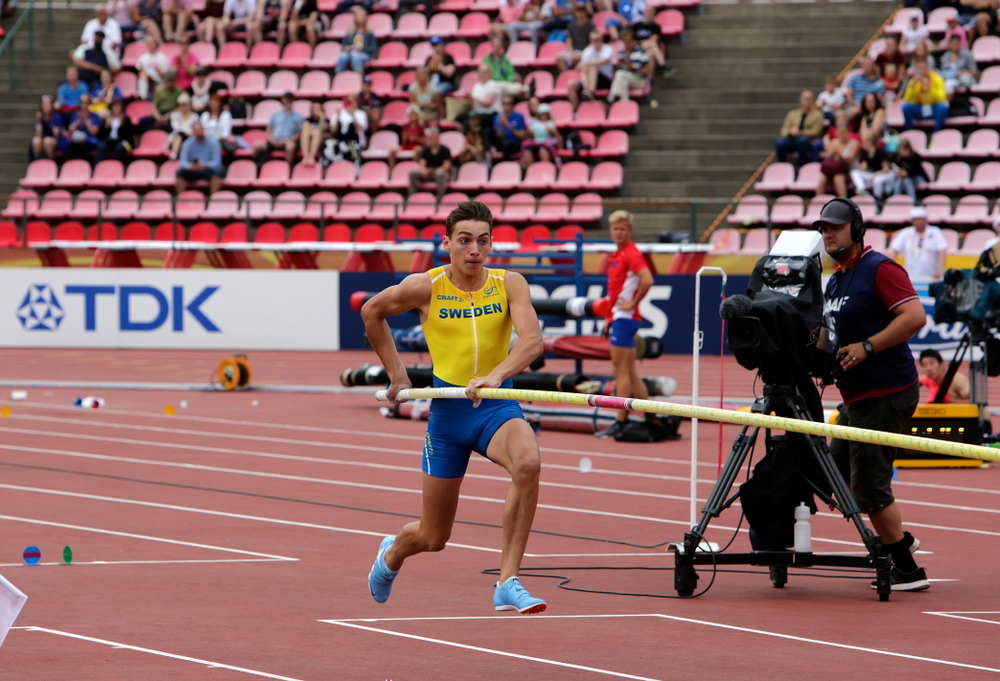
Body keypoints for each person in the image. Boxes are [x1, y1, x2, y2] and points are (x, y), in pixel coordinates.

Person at [361, 200, 547, 614]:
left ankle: (508, 581)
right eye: (464, 241)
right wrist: (397, 374)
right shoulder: (426, 286)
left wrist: (495, 377)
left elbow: (533, 340)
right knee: (433, 536)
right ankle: (391, 554)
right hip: (448, 416)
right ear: (447, 243)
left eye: (482, 241)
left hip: (496, 407)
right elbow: (371, 312)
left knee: (529, 463)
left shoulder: (509, 284)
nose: (474, 250)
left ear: (491, 244)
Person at [814, 197, 929, 592]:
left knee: (868, 488)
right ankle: (901, 539)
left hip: (885, 392)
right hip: (856, 396)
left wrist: (868, 346)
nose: (828, 233)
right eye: (823, 228)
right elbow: (829, 335)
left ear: (857, 229)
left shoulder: (878, 268)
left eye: (835, 226)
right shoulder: (835, 278)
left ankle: (909, 569)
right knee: (831, 478)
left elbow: (915, 316)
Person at [596, 210, 654, 439]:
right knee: (630, 371)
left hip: (625, 318)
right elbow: (615, 291)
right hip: (620, 317)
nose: (618, 232)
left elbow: (648, 280)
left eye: (622, 229)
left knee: (620, 372)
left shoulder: (631, 254)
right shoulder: (617, 255)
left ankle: (621, 421)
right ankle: (650, 417)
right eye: (615, 229)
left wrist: (631, 304)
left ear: (629, 231)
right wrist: (608, 317)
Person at [886, 206, 949, 281]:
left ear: (926, 219)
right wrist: (893, 269)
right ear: (912, 220)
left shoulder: (934, 232)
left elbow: (942, 250)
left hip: (932, 277)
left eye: (921, 219)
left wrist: (940, 271)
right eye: (916, 219)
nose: (919, 222)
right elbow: (894, 249)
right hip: (910, 277)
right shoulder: (906, 232)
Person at [775, 89, 825, 168]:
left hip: (808, 142)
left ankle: (802, 167)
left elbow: (816, 131)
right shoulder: (792, 114)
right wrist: (790, 132)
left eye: (809, 99)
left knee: (802, 141)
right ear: (801, 100)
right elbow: (783, 130)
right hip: (792, 140)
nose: (807, 101)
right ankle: (783, 168)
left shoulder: (818, 115)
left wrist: (800, 132)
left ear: (813, 101)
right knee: (780, 143)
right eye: (805, 99)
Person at [253, 91, 303, 166]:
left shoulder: (298, 116)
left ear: (293, 100)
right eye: (286, 99)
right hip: (274, 142)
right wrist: (272, 141)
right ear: (282, 100)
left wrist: (287, 140)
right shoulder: (275, 114)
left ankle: (287, 169)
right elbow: (269, 130)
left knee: (291, 146)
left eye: (290, 99)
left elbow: (299, 133)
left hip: (288, 141)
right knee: (257, 145)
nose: (288, 101)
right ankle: (257, 169)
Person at [817, 111, 859, 198]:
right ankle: (817, 202)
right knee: (823, 178)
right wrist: (832, 153)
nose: (842, 134)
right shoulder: (833, 142)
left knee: (838, 178)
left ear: (848, 131)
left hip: (847, 171)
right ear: (837, 132)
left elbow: (850, 160)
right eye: (840, 132)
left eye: (844, 131)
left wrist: (839, 154)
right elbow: (827, 157)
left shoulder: (854, 143)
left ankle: (843, 200)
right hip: (834, 169)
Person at [568, 30, 614, 108]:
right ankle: (575, 111)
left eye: (597, 39)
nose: (595, 42)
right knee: (571, 84)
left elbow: (602, 61)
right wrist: (585, 83)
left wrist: (587, 64)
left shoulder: (608, 48)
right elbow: (582, 67)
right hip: (588, 80)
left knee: (592, 67)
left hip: (604, 80)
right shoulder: (587, 51)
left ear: (601, 39)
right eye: (593, 40)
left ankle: (590, 92)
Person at [176, 122, 224, 193]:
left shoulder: (214, 143)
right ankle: (180, 199)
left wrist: (205, 165)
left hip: (207, 170)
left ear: (203, 130)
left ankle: (213, 199)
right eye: (196, 130)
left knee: (217, 171)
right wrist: (189, 166)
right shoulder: (187, 143)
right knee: (179, 172)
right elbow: (183, 162)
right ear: (193, 132)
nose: (198, 132)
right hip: (193, 170)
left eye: (200, 129)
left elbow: (216, 162)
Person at [902, 59, 948, 131]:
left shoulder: (937, 79)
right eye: (919, 69)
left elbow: (942, 98)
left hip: (933, 108)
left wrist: (930, 87)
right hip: (920, 108)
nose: (922, 71)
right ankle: (911, 133)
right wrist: (913, 86)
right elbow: (907, 99)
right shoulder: (914, 81)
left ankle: (936, 133)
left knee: (942, 107)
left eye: (923, 68)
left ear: (928, 67)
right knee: (906, 107)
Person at [608, 28, 651, 104]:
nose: (626, 43)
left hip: (639, 78)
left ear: (634, 41)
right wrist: (619, 65)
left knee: (620, 74)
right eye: (625, 41)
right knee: (622, 80)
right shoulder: (621, 53)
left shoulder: (641, 52)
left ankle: (611, 100)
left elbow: (646, 71)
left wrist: (630, 66)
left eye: (628, 41)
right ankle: (624, 104)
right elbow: (617, 70)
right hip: (624, 78)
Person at [408, 127, 452, 198]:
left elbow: (446, 167)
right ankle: (412, 197)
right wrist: (424, 170)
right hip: (429, 173)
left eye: (434, 137)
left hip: (439, 173)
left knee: (439, 174)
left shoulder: (445, 150)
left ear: (438, 137)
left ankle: (440, 198)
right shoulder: (426, 150)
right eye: (431, 137)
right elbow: (422, 163)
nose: (433, 139)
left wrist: (433, 171)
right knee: (411, 173)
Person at [632, 4, 672, 77]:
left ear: (654, 13)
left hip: (648, 48)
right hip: (637, 47)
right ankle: (663, 65)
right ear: (643, 12)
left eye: (650, 11)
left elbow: (654, 38)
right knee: (652, 43)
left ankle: (650, 79)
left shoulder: (656, 27)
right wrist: (642, 42)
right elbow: (632, 40)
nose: (648, 13)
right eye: (647, 11)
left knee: (651, 53)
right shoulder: (636, 26)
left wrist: (645, 41)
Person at [336, 7, 377, 73]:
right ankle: (339, 76)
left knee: (356, 56)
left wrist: (363, 49)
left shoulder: (369, 32)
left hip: (365, 54)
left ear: (366, 17)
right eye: (358, 16)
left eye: (362, 16)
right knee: (342, 56)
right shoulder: (351, 31)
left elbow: (372, 48)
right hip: (350, 53)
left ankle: (359, 77)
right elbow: (343, 44)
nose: (360, 18)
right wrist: (346, 48)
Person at [557, 4, 596, 72]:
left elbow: (592, 42)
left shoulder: (591, 25)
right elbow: (569, 41)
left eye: (582, 11)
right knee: (559, 57)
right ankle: (567, 75)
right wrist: (572, 54)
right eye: (578, 11)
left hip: (587, 51)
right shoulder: (571, 25)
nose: (580, 13)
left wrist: (583, 53)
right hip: (574, 51)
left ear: (585, 12)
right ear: (575, 13)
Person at [95, 98, 135, 163]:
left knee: (118, 148)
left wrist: (122, 126)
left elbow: (129, 135)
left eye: (119, 106)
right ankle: (97, 166)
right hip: (109, 140)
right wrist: (107, 126)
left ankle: (117, 167)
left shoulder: (126, 119)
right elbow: (100, 135)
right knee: (101, 146)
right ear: (111, 107)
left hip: (121, 141)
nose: (117, 108)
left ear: (122, 108)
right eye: (115, 106)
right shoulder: (107, 119)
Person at [520, 102, 560, 167]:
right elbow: (529, 133)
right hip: (536, 143)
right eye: (542, 113)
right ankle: (528, 169)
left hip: (546, 144)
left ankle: (553, 163)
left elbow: (556, 133)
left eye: (545, 113)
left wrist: (550, 130)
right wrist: (529, 133)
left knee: (543, 150)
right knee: (527, 149)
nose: (544, 115)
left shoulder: (550, 123)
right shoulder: (535, 123)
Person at [65, 94, 102, 160]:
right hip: (76, 140)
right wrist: (77, 120)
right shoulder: (76, 115)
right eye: (82, 103)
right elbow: (70, 130)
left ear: (89, 104)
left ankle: (88, 166)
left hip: (89, 140)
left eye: (86, 103)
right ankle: (69, 166)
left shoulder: (95, 116)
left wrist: (85, 120)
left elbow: (94, 132)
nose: (84, 105)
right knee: (70, 145)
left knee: (83, 145)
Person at [388, 104, 425, 170]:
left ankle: (415, 169)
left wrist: (416, 138)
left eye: (414, 115)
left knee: (418, 151)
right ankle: (392, 171)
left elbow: (424, 141)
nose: (412, 117)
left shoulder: (420, 128)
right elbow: (403, 141)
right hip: (406, 145)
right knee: (392, 151)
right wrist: (405, 137)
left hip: (416, 145)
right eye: (411, 115)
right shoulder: (405, 127)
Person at [493, 95, 529, 160]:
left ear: (512, 104)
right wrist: (501, 125)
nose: (506, 106)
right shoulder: (497, 118)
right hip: (502, 144)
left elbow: (522, 136)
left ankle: (507, 165)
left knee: (506, 144)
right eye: (504, 103)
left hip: (516, 143)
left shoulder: (519, 116)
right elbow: (500, 136)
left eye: (508, 103)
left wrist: (508, 125)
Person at [135, 35, 170, 101]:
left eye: (151, 43)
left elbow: (166, 75)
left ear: (155, 43)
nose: (150, 45)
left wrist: (160, 72)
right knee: (143, 75)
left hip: (159, 81)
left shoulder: (162, 57)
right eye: (148, 43)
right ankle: (142, 97)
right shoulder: (142, 58)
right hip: (147, 81)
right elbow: (140, 72)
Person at [31, 95, 65, 161]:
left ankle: (50, 162)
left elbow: (56, 134)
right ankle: (37, 162)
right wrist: (39, 122)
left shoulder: (56, 116)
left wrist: (51, 126)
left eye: (48, 105)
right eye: (45, 105)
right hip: (43, 138)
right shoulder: (39, 117)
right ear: (41, 106)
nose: (47, 107)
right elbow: (39, 135)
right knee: (36, 141)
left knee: (47, 141)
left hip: (55, 139)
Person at [168, 93, 200, 159]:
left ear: (189, 105)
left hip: (190, 137)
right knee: (180, 135)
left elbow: (195, 128)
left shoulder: (195, 116)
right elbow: (176, 127)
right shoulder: (174, 115)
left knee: (187, 139)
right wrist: (186, 131)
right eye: (182, 105)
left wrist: (187, 132)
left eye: (185, 104)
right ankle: (174, 155)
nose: (184, 107)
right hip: (177, 137)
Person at [300, 100, 328, 165]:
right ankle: (306, 156)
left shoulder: (325, 120)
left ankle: (311, 156)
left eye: (318, 109)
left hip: (321, 142)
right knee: (305, 132)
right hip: (309, 140)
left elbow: (322, 128)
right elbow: (305, 128)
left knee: (317, 132)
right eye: (315, 109)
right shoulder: (308, 120)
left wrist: (322, 118)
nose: (317, 110)